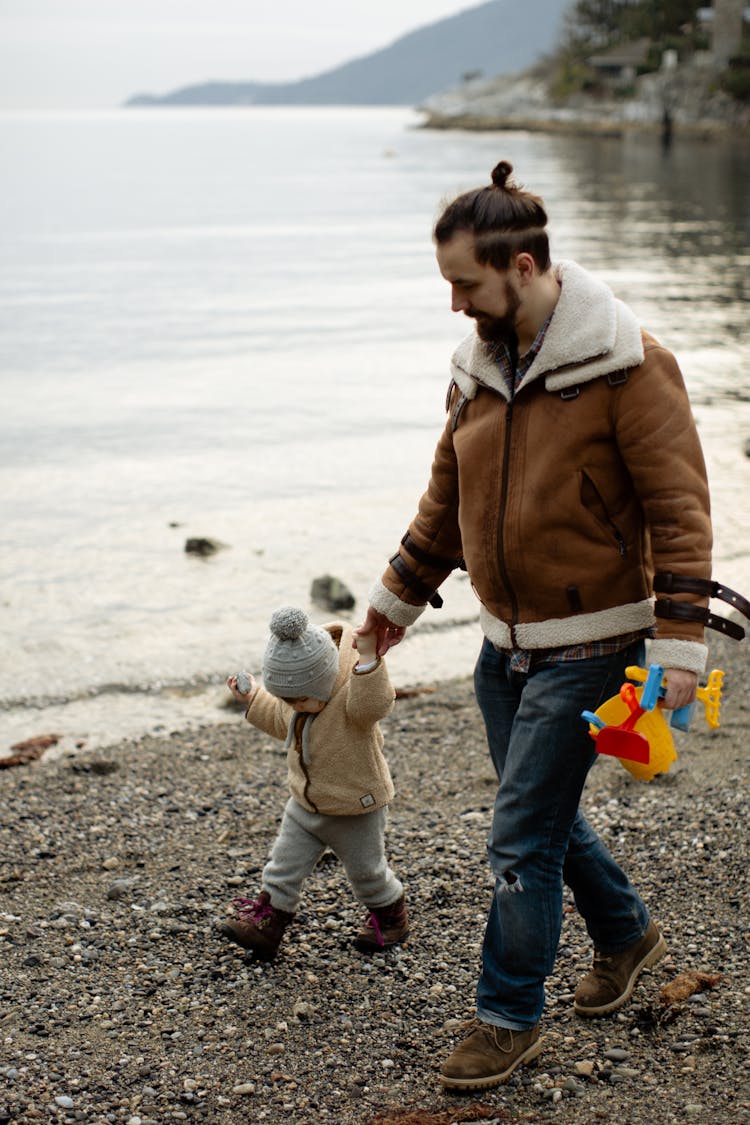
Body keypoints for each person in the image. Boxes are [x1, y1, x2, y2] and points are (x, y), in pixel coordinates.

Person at [359, 160, 712, 1090]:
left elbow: (679, 506)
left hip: (594, 642)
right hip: (500, 647)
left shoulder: (627, 362)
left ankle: (508, 1015)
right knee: (545, 820)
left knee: (519, 838)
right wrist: (392, 604)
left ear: (520, 266)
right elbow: (446, 502)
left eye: (464, 285)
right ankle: (631, 933)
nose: (454, 306)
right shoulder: (475, 368)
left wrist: (679, 643)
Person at [220, 606, 408, 961]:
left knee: (368, 874)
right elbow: (279, 720)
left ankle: (391, 916)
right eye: (288, 700)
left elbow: (376, 703)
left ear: (325, 682)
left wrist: (368, 659)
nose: (294, 707)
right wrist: (253, 698)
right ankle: (268, 926)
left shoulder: (352, 700)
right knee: (282, 867)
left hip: (355, 808)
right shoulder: (298, 700)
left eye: (299, 699)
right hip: (305, 805)